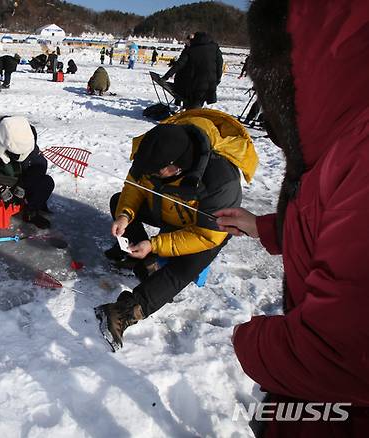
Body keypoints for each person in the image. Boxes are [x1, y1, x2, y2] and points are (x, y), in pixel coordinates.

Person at [215, 0, 369, 435]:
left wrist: (252, 343)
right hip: (307, 398)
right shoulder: (339, 139)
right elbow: (331, 221)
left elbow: (343, 354)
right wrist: (263, 227)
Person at [96, 110, 258, 351]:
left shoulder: (221, 180)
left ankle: (126, 311)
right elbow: (134, 187)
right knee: (118, 200)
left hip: (202, 229)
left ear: (176, 167)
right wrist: (125, 215)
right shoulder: (153, 149)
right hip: (164, 208)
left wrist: (155, 243)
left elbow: (206, 235)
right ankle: (147, 264)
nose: (150, 174)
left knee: (194, 260)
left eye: (157, 172)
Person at [0, 116, 54, 238]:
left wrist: (23, 186)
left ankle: (31, 212)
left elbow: (39, 165)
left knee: (47, 182)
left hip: (19, 180)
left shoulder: (27, 138)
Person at [161, 32, 223, 110]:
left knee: (193, 106)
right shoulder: (215, 47)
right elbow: (219, 64)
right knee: (199, 102)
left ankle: (191, 119)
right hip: (210, 83)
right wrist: (218, 78)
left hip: (196, 84)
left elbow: (179, 64)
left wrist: (166, 77)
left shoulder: (191, 49)